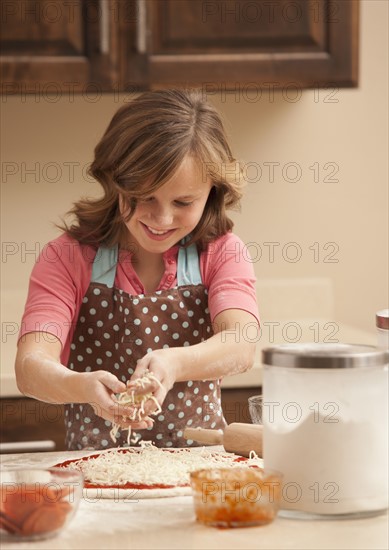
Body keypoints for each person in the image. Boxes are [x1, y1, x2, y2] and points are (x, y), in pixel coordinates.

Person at [15, 89, 259, 450]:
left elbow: (241, 343)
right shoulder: (66, 257)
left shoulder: (221, 252)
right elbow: (31, 366)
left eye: (183, 202)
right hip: (95, 473)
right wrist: (81, 387)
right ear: (115, 181)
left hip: (199, 473)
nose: (161, 219)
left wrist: (173, 363)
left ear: (213, 191)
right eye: (144, 197)